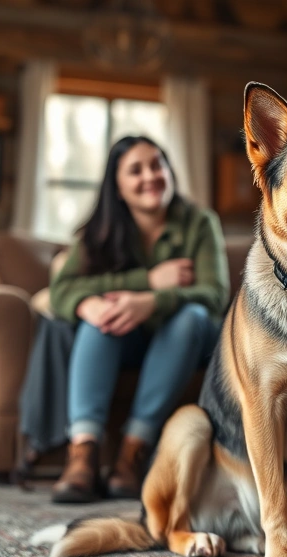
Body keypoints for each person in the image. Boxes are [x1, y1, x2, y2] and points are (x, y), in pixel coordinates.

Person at [48, 135, 229, 503]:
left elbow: (214, 295)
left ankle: (133, 453)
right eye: (135, 170)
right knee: (102, 319)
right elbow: (61, 289)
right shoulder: (99, 230)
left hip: (188, 341)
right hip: (126, 341)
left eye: (157, 165)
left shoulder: (200, 222)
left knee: (190, 316)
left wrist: (152, 302)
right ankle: (83, 452)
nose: (150, 176)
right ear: (117, 187)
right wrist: (108, 297)